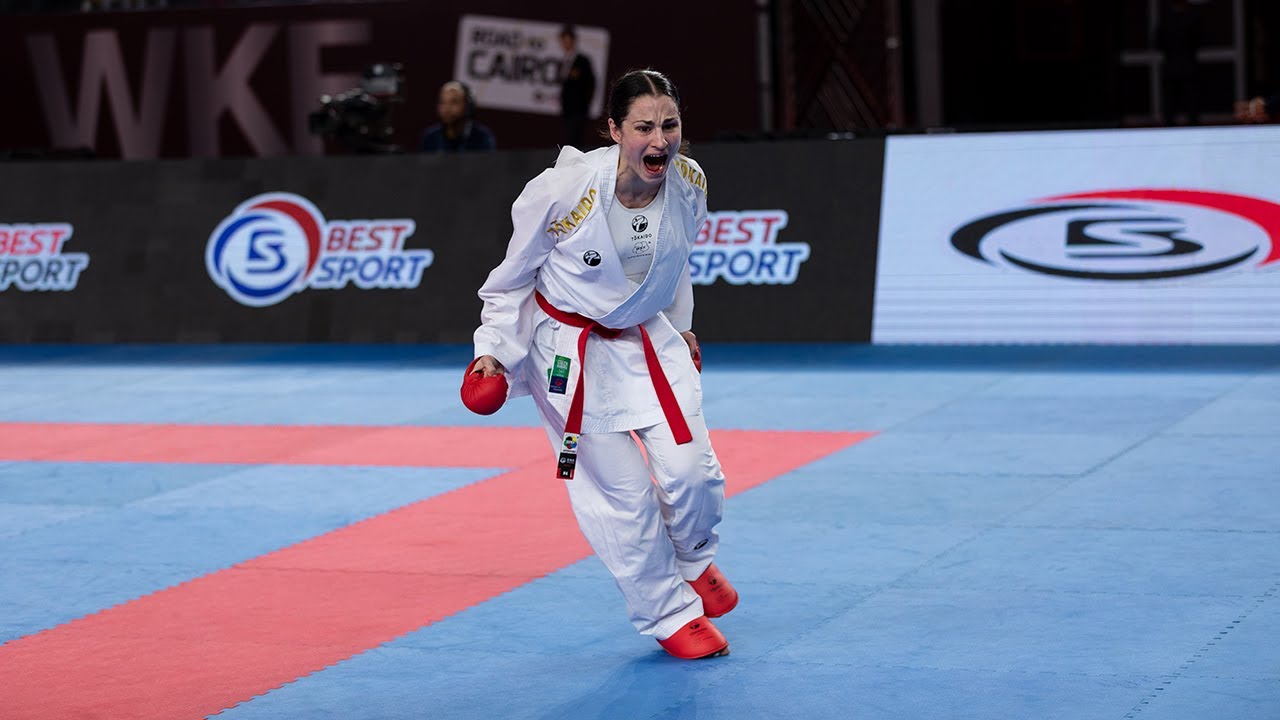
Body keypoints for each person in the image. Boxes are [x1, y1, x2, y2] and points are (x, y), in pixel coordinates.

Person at [467, 69, 737, 660]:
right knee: (624, 496)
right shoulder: (563, 193)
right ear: (614, 130)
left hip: (647, 341)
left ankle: (692, 558)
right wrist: (492, 353)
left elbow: (677, 263)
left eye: (670, 125)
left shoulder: (689, 182)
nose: (659, 140)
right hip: (571, 355)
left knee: (693, 471)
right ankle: (667, 613)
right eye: (643, 127)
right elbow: (511, 281)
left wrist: (684, 326)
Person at [420, 81, 496, 152]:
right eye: (442, 102)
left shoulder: (482, 138)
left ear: (467, 106)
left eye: (454, 102)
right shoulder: (430, 137)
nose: (447, 109)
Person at [558, 25, 596, 149]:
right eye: (564, 42)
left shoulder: (582, 61)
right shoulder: (564, 61)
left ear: (573, 41)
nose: (566, 44)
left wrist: (585, 104)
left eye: (568, 41)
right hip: (567, 109)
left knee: (575, 140)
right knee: (569, 139)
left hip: (579, 109)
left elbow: (591, 83)